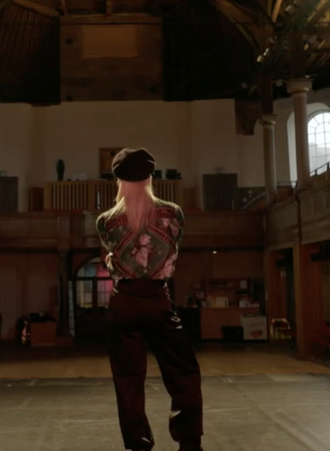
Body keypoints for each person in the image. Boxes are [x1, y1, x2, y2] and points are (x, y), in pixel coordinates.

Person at [96, 148, 203, 451]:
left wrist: (111, 262)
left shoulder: (105, 221)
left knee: (128, 379)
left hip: (124, 303)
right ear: (151, 176)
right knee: (184, 372)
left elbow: (115, 258)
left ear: (117, 179)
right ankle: (190, 442)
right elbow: (171, 252)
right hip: (158, 299)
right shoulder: (175, 213)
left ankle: (138, 445)